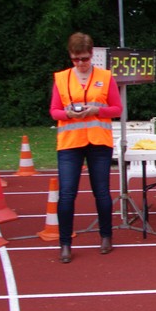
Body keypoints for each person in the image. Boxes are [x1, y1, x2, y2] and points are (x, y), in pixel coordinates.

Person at [49, 32, 123, 263]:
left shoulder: (105, 76)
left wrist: (97, 110)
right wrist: (68, 114)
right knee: (67, 194)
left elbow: (117, 108)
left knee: (101, 191)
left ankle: (106, 236)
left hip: (98, 141)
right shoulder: (61, 78)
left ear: (92, 55)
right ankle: (65, 243)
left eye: (84, 58)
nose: (80, 63)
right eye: (75, 59)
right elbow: (54, 111)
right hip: (70, 142)